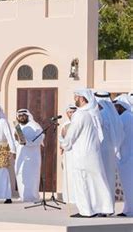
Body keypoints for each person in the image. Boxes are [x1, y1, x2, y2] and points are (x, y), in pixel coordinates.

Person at [59, 89, 113, 217]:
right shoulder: (93, 113)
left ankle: (86, 211)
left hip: (82, 155)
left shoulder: (80, 114)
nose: (75, 99)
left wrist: (64, 145)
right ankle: (105, 208)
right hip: (93, 153)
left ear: (82, 99)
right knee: (97, 181)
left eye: (76, 97)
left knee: (81, 182)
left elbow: (72, 134)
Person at [94, 91, 124, 210]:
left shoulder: (102, 114)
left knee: (103, 179)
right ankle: (107, 207)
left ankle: (104, 208)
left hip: (103, 150)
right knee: (109, 179)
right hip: (111, 150)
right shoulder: (112, 115)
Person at [13, 109, 44, 202]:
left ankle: (32, 197)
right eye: (20, 115)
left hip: (32, 157)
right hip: (20, 156)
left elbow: (38, 140)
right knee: (20, 175)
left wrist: (25, 141)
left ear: (28, 116)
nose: (21, 117)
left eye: (23, 115)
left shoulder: (35, 126)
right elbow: (16, 141)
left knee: (31, 176)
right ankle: (23, 196)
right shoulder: (17, 127)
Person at [113, 94, 133, 217]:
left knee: (128, 185)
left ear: (121, 106)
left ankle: (129, 210)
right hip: (129, 156)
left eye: (117, 106)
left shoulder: (123, 119)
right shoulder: (130, 116)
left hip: (126, 158)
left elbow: (118, 138)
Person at [59, 105, 77, 204]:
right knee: (68, 175)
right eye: (70, 112)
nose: (72, 114)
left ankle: (76, 198)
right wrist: (63, 144)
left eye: (73, 112)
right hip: (68, 153)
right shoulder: (65, 125)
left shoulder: (78, 123)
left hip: (77, 152)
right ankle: (68, 197)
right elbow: (61, 138)